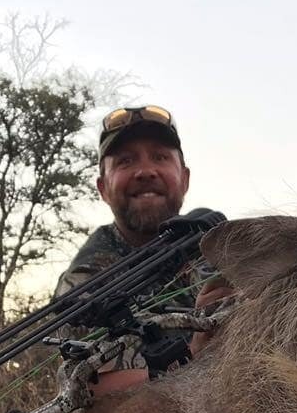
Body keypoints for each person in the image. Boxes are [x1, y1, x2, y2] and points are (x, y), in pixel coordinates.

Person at [52, 105, 230, 396]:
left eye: (160, 157)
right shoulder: (85, 279)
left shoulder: (217, 242)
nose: (145, 171)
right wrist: (194, 360)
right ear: (103, 188)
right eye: (125, 161)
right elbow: (88, 387)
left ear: (184, 178)